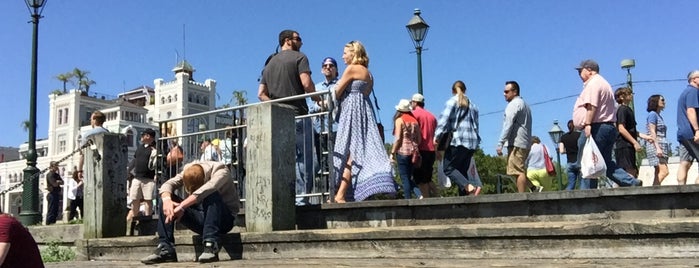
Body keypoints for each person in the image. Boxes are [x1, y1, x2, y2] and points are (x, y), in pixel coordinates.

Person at [258, 29, 319, 206]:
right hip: (298, 115)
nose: (301, 42)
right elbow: (306, 83)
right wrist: (318, 99)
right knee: (307, 159)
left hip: (278, 119)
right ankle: (301, 199)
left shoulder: (269, 63)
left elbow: (261, 94)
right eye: (298, 39)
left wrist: (278, 106)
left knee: (286, 159)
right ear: (287, 41)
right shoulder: (300, 57)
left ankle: (286, 199)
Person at [332, 40, 396, 203]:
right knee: (359, 151)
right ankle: (352, 191)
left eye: (345, 53)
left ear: (354, 53)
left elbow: (337, 92)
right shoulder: (368, 73)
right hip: (365, 112)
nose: (343, 56)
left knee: (349, 152)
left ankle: (340, 194)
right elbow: (365, 93)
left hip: (352, 112)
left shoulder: (352, 69)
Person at [140, 161, 240, 264]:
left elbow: (208, 188)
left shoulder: (221, 171)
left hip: (223, 220)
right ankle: (166, 247)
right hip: (200, 216)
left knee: (211, 194)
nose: (191, 192)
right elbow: (168, 184)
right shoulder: (188, 170)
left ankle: (211, 244)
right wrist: (167, 200)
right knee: (167, 200)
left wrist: (182, 206)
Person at [572, 59, 642, 189]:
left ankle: (586, 194)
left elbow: (592, 105)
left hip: (596, 126)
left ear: (589, 70)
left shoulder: (594, 83)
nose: (579, 74)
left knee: (588, 161)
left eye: (580, 71)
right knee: (605, 161)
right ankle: (631, 182)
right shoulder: (604, 83)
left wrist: (587, 124)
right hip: (607, 126)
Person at [434, 80, 482, 196]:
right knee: (461, 171)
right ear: (465, 90)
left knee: (448, 168)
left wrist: (436, 137)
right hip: (472, 142)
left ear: (452, 91)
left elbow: (443, 121)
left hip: (458, 140)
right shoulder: (474, 106)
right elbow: (476, 125)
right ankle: (466, 200)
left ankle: (468, 186)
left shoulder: (452, 102)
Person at [496, 81, 532, 193]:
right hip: (525, 142)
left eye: (507, 91)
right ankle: (533, 187)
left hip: (516, 142)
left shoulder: (513, 105)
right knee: (516, 169)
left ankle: (521, 197)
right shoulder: (525, 105)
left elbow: (508, 124)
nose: (504, 94)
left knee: (517, 171)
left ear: (514, 92)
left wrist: (500, 143)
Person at [309, 57, 339, 176]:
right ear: (321, 70)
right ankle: (327, 192)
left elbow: (339, 104)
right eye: (325, 66)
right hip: (319, 130)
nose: (328, 67)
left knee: (338, 160)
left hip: (337, 128)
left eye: (331, 65)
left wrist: (321, 104)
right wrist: (324, 105)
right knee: (323, 163)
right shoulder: (316, 88)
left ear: (336, 70)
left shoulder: (340, 84)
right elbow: (311, 108)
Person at [614, 87, 650, 178]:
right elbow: (621, 128)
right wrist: (635, 142)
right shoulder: (622, 109)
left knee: (630, 171)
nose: (631, 96)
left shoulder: (628, 109)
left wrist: (645, 137)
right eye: (629, 94)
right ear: (622, 97)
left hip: (627, 145)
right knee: (629, 171)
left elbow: (631, 130)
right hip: (624, 145)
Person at [389, 99, 421, 199]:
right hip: (414, 152)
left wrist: (392, 152)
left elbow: (398, 138)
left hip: (402, 152)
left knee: (404, 177)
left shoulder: (399, 120)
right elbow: (419, 139)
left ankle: (408, 200)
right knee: (409, 176)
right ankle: (419, 194)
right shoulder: (415, 121)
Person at [410, 93, 439, 198]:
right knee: (428, 177)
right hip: (431, 150)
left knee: (420, 179)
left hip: (420, 150)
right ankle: (437, 197)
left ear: (415, 102)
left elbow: (412, 132)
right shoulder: (432, 116)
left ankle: (426, 201)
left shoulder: (413, 115)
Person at [127, 128, 158, 221]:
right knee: (134, 198)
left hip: (149, 179)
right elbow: (134, 160)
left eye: (143, 135)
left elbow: (157, 163)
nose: (141, 137)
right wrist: (128, 169)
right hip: (137, 177)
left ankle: (147, 220)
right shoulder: (140, 147)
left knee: (148, 200)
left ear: (148, 136)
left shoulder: (155, 148)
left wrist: (156, 174)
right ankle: (134, 218)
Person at [677, 70, 699, 184]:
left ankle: (680, 189)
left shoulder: (684, 92)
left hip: (682, 133)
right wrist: (697, 130)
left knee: (684, 162)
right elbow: (691, 110)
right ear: (694, 79)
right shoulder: (693, 91)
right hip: (691, 132)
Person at [645, 95, 669, 185]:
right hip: (656, 145)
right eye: (662, 100)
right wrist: (657, 147)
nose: (664, 102)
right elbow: (652, 131)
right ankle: (653, 190)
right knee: (664, 171)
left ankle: (655, 191)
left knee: (658, 172)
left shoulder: (659, 116)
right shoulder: (652, 115)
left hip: (661, 144)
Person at [77, 111, 109, 178]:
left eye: (91, 119)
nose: (90, 121)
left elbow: (82, 155)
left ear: (95, 120)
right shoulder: (108, 133)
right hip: (108, 166)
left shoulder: (88, 135)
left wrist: (79, 170)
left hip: (92, 167)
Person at [559, 120, 582, 190]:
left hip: (569, 163)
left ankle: (565, 199)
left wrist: (568, 150)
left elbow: (561, 151)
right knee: (582, 183)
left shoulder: (563, 137)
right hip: (580, 161)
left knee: (571, 184)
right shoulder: (580, 135)